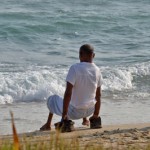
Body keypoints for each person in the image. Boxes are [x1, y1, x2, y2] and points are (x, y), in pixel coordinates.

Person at [40, 44, 103, 132]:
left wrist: (64, 115)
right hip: (90, 110)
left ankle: (48, 124)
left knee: (52, 99)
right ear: (93, 55)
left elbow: (68, 93)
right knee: (84, 92)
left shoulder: (74, 68)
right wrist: (96, 114)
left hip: (74, 112)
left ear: (80, 55)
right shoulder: (97, 70)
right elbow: (98, 95)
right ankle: (85, 120)